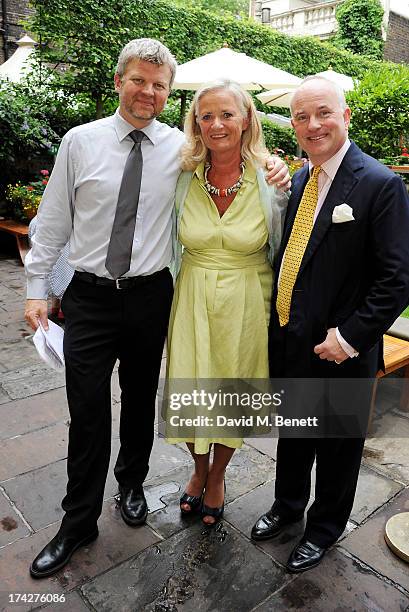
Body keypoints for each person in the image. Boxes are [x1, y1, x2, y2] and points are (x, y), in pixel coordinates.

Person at [24, 38, 290, 578]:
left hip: (150, 296)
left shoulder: (181, 150)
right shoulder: (80, 141)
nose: (148, 91)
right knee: (89, 409)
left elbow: (241, 163)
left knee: (143, 399)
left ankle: (131, 486)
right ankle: (77, 522)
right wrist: (37, 289)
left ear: (169, 94)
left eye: (159, 84)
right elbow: (52, 224)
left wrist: (278, 169)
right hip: (90, 297)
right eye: (139, 80)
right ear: (119, 81)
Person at [251, 76, 409, 573]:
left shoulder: (381, 184)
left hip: (341, 347)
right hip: (293, 337)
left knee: (338, 447)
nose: (312, 124)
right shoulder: (301, 178)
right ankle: (287, 507)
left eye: (323, 113)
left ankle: (323, 530)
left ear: (345, 117)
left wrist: (349, 337)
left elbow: (397, 277)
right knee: (295, 434)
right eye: (301, 117)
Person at [165, 79, 288, 526]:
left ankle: (217, 476)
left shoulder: (272, 180)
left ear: (246, 120)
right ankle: (197, 472)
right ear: (195, 125)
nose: (216, 124)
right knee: (193, 388)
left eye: (227, 114)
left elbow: (285, 243)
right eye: (206, 116)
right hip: (193, 296)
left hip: (248, 301)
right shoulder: (182, 175)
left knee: (232, 394)